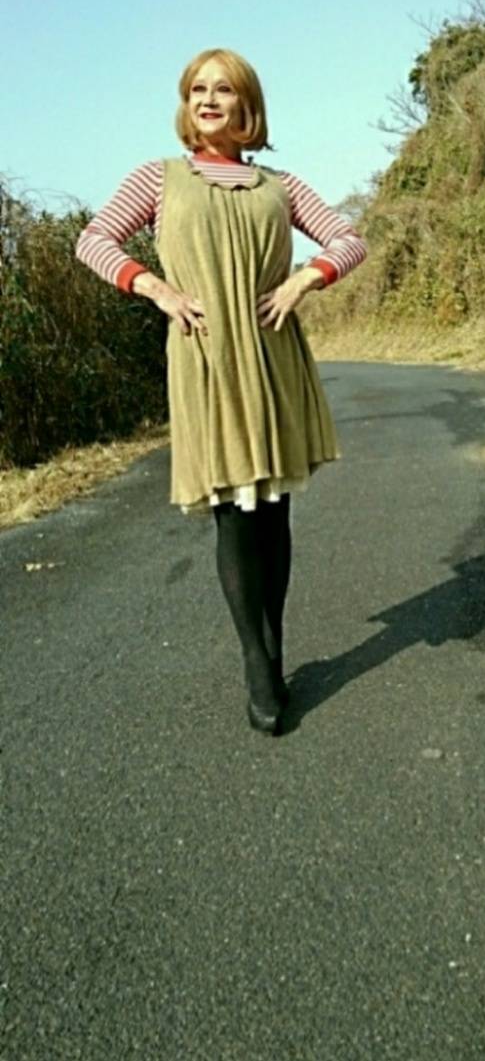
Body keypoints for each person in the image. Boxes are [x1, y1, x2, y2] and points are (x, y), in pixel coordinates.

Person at [76, 46, 367, 736]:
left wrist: (303, 281)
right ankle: (256, 663)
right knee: (234, 510)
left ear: (247, 105)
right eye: (197, 90)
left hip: (272, 355)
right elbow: (94, 240)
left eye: (224, 89)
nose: (208, 100)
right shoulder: (157, 178)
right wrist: (155, 288)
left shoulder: (280, 185)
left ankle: (276, 644)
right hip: (206, 357)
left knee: (274, 510)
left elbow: (349, 239)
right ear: (186, 104)